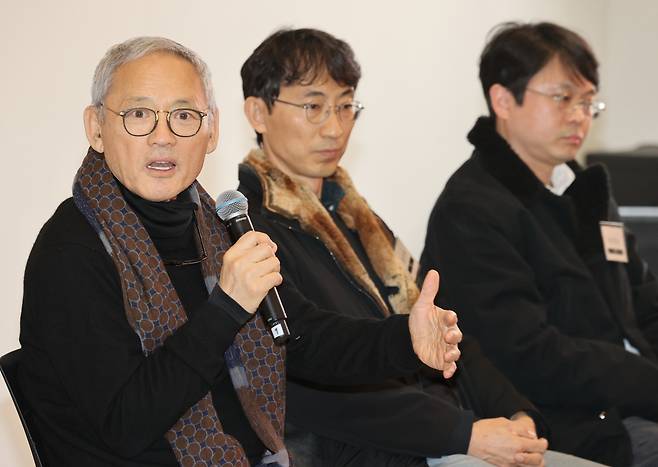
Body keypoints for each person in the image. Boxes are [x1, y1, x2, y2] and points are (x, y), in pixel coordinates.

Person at [18, 36, 462, 466]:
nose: (163, 137)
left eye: (184, 116)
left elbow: (305, 340)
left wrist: (406, 338)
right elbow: (126, 425)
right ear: (96, 128)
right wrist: (225, 308)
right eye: (138, 115)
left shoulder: (217, 227)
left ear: (210, 130)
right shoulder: (70, 253)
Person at [238, 27, 602, 467]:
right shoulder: (251, 235)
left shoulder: (360, 220)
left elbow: (447, 330)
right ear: (258, 113)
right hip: (377, 452)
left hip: (435, 438)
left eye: (346, 105)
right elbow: (310, 381)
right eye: (313, 106)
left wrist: (517, 413)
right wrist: (463, 434)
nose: (334, 127)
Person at [419, 21, 658, 467]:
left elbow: (642, 302)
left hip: (631, 401)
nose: (578, 115)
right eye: (562, 98)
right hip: (570, 424)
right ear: (503, 100)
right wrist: (648, 382)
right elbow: (529, 355)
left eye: (587, 102)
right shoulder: (471, 209)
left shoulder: (584, 192)